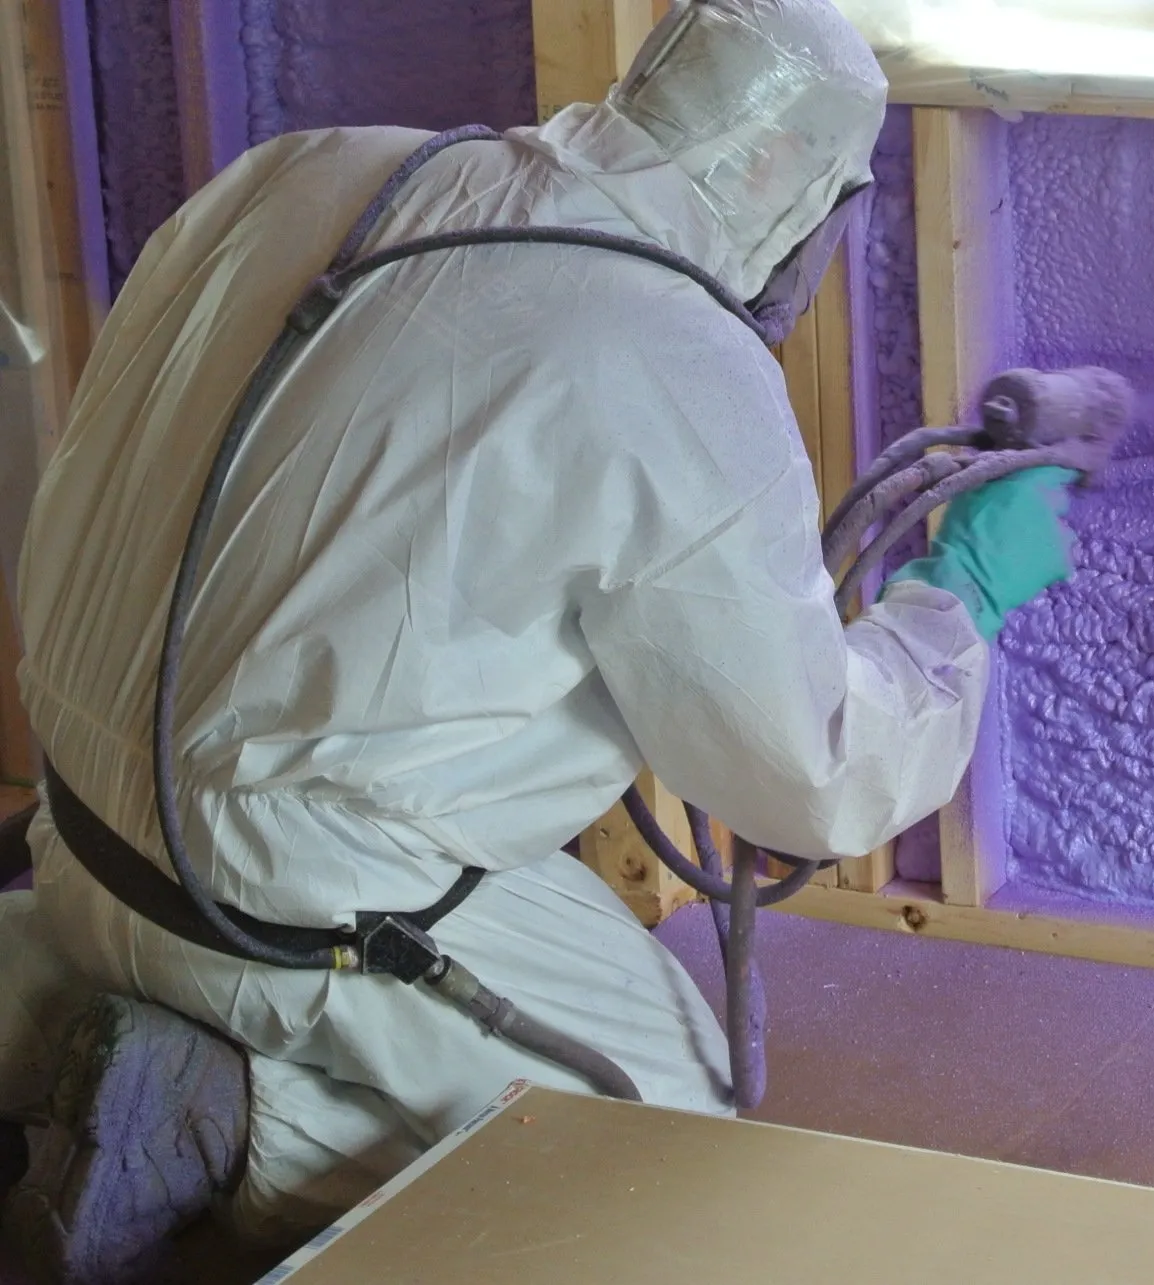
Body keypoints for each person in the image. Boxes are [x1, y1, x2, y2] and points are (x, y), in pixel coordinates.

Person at [0, 1, 1080, 1279]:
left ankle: (35, 1012)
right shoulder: (678, 360)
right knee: (662, 1127)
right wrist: (957, 600)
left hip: (69, 822)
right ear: (807, 189)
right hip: (281, 892)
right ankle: (238, 1129)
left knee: (477, 908)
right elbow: (811, 779)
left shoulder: (315, 166)